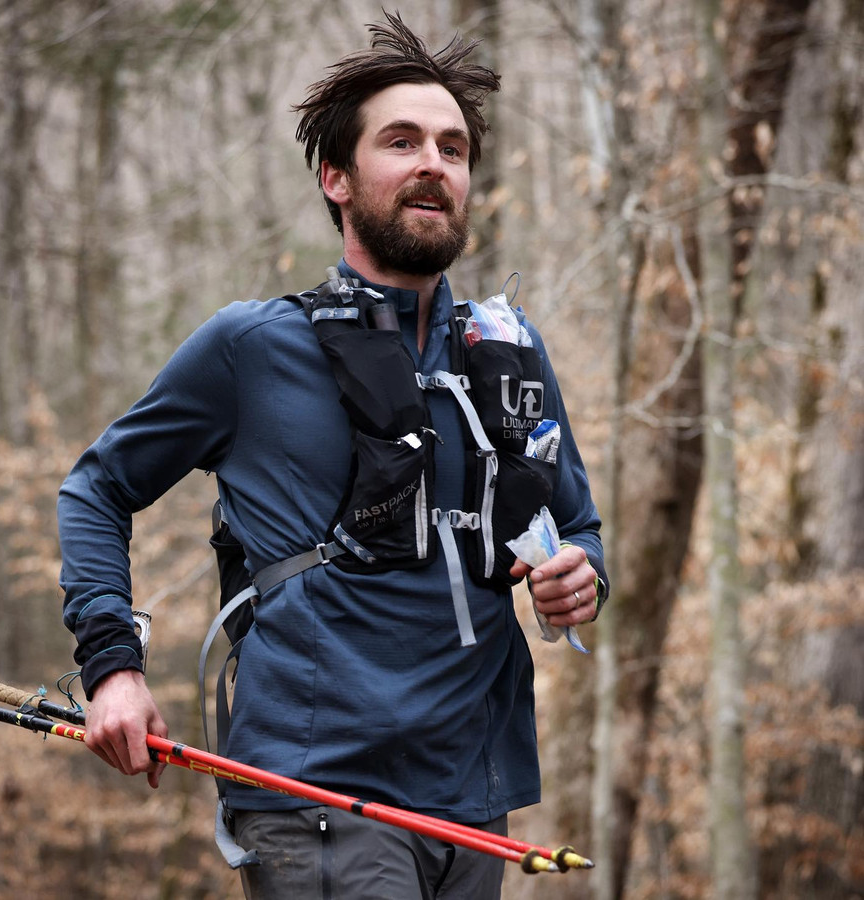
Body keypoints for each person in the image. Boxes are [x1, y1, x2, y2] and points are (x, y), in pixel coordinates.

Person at [57, 13, 608, 900]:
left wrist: (581, 578)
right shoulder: (251, 347)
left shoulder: (510, 353)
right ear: (336, 178)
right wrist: (113, 667)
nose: (435, 164)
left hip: (472, 804)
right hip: (313, 795)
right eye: (402, 142)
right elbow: (97, 487)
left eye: (454, 148)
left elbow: (577, 526)